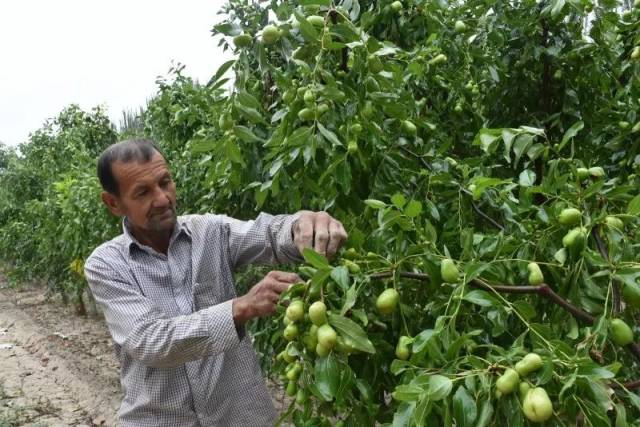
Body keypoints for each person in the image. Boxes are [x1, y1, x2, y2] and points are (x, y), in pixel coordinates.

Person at [84, 138, 347, 426]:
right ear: (113, 203)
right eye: (143, 192)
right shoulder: (106, 264)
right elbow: (150, 340)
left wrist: (301, 225)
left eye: (165, 182)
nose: (162, 199)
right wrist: (240, 308)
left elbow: (268, 235)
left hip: (241, 417)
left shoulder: (210, 231)